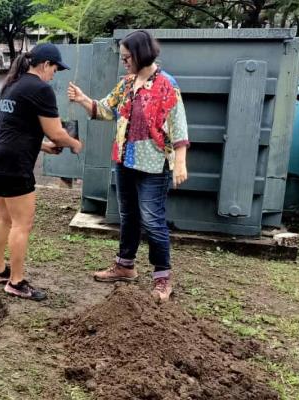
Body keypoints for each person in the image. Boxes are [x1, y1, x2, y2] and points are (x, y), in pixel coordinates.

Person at [67, 30, 189, 302]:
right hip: (125, 160)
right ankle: (125, 266)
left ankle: (162, 279)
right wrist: (83, 99)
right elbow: (105, 110)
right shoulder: (127, 84)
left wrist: (180, 163)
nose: (123, 62)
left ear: (140, 54)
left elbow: (178, 126)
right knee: (129, 216)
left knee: (153, 220)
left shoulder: (166, 85)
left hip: (155, 164)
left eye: (126, 57)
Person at [0, 43, 83, 301]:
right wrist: (74, 144)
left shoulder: (11, 84)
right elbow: (57, 132)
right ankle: (16, 282)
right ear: (45, 64)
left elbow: (12, 128)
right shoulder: (40, 88)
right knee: (22, 224)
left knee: (2, 217)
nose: (54, 74)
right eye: (55, 69)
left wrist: (44, 147)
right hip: (13, 165)